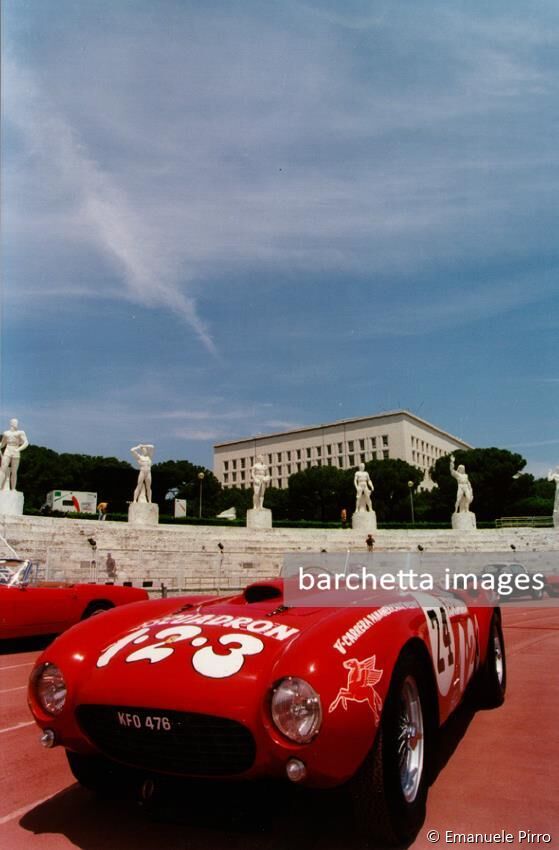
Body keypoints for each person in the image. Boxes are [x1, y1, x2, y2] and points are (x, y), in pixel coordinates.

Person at [0, 419, 29, 491]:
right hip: (7, 450)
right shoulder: (6, 433)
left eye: (16, 422)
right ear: (11, 423)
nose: (16, 424)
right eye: (15, 422)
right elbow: (3, 444)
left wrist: (18, 449)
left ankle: (13, 489)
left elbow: (26, 443)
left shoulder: (20, 433)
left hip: (15, 451)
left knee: (14, 471)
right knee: (3, 469)